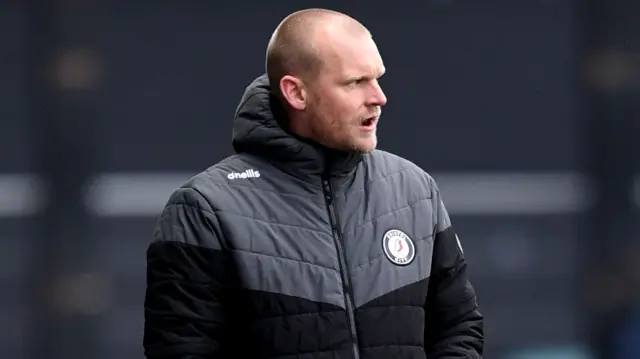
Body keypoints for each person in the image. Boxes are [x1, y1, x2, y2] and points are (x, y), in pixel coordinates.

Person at [143, 8, 483, 359]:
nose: (379, 97)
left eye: (377, 78)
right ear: (296, 93)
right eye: (356, 82)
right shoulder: (204, 210)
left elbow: (458, 327)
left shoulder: (414, 191)